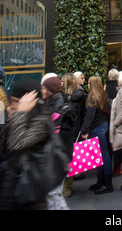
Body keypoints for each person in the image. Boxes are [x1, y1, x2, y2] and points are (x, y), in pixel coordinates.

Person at [0, 79, 53, 210]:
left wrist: (20, 114)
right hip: (12, 191)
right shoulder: (13, 117)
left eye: (17, 102)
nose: (12, 106)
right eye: (12, 101)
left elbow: (16, 144)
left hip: (29, 195)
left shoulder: (40, 122)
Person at [41, 75, 75, 209]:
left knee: (53, 194)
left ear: (50, 90)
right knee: (54, 194)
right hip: (57, 156)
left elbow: (62, 134)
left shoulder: (59, 108)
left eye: (44, 88)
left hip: (56, 156)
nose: (42, 91)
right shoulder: (53, 104)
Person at [81, 75, 113, 195]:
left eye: (89, 83)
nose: (87, 85)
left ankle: (106, 184)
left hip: (97, 127)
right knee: (103, 155)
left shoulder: (92, 97)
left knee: (101, 156)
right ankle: (103, 182)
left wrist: (84, 130)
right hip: (103, 125)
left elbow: (89, 116)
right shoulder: (103, 95)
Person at [61, 72, 86, 197]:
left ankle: (67, 186)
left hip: (70, 128)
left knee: (69, 156)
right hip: (73, 127)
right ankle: (67, 184)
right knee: (69, 155)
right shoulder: (75, 95)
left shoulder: (70, 97)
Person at [104, 68, 122, 178]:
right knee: (117, 144)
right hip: (117, 119)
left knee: (108, 143)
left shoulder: (105, 88)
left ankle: (107, 168)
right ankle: (117, 168)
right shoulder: (119, 88)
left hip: (107, 118)